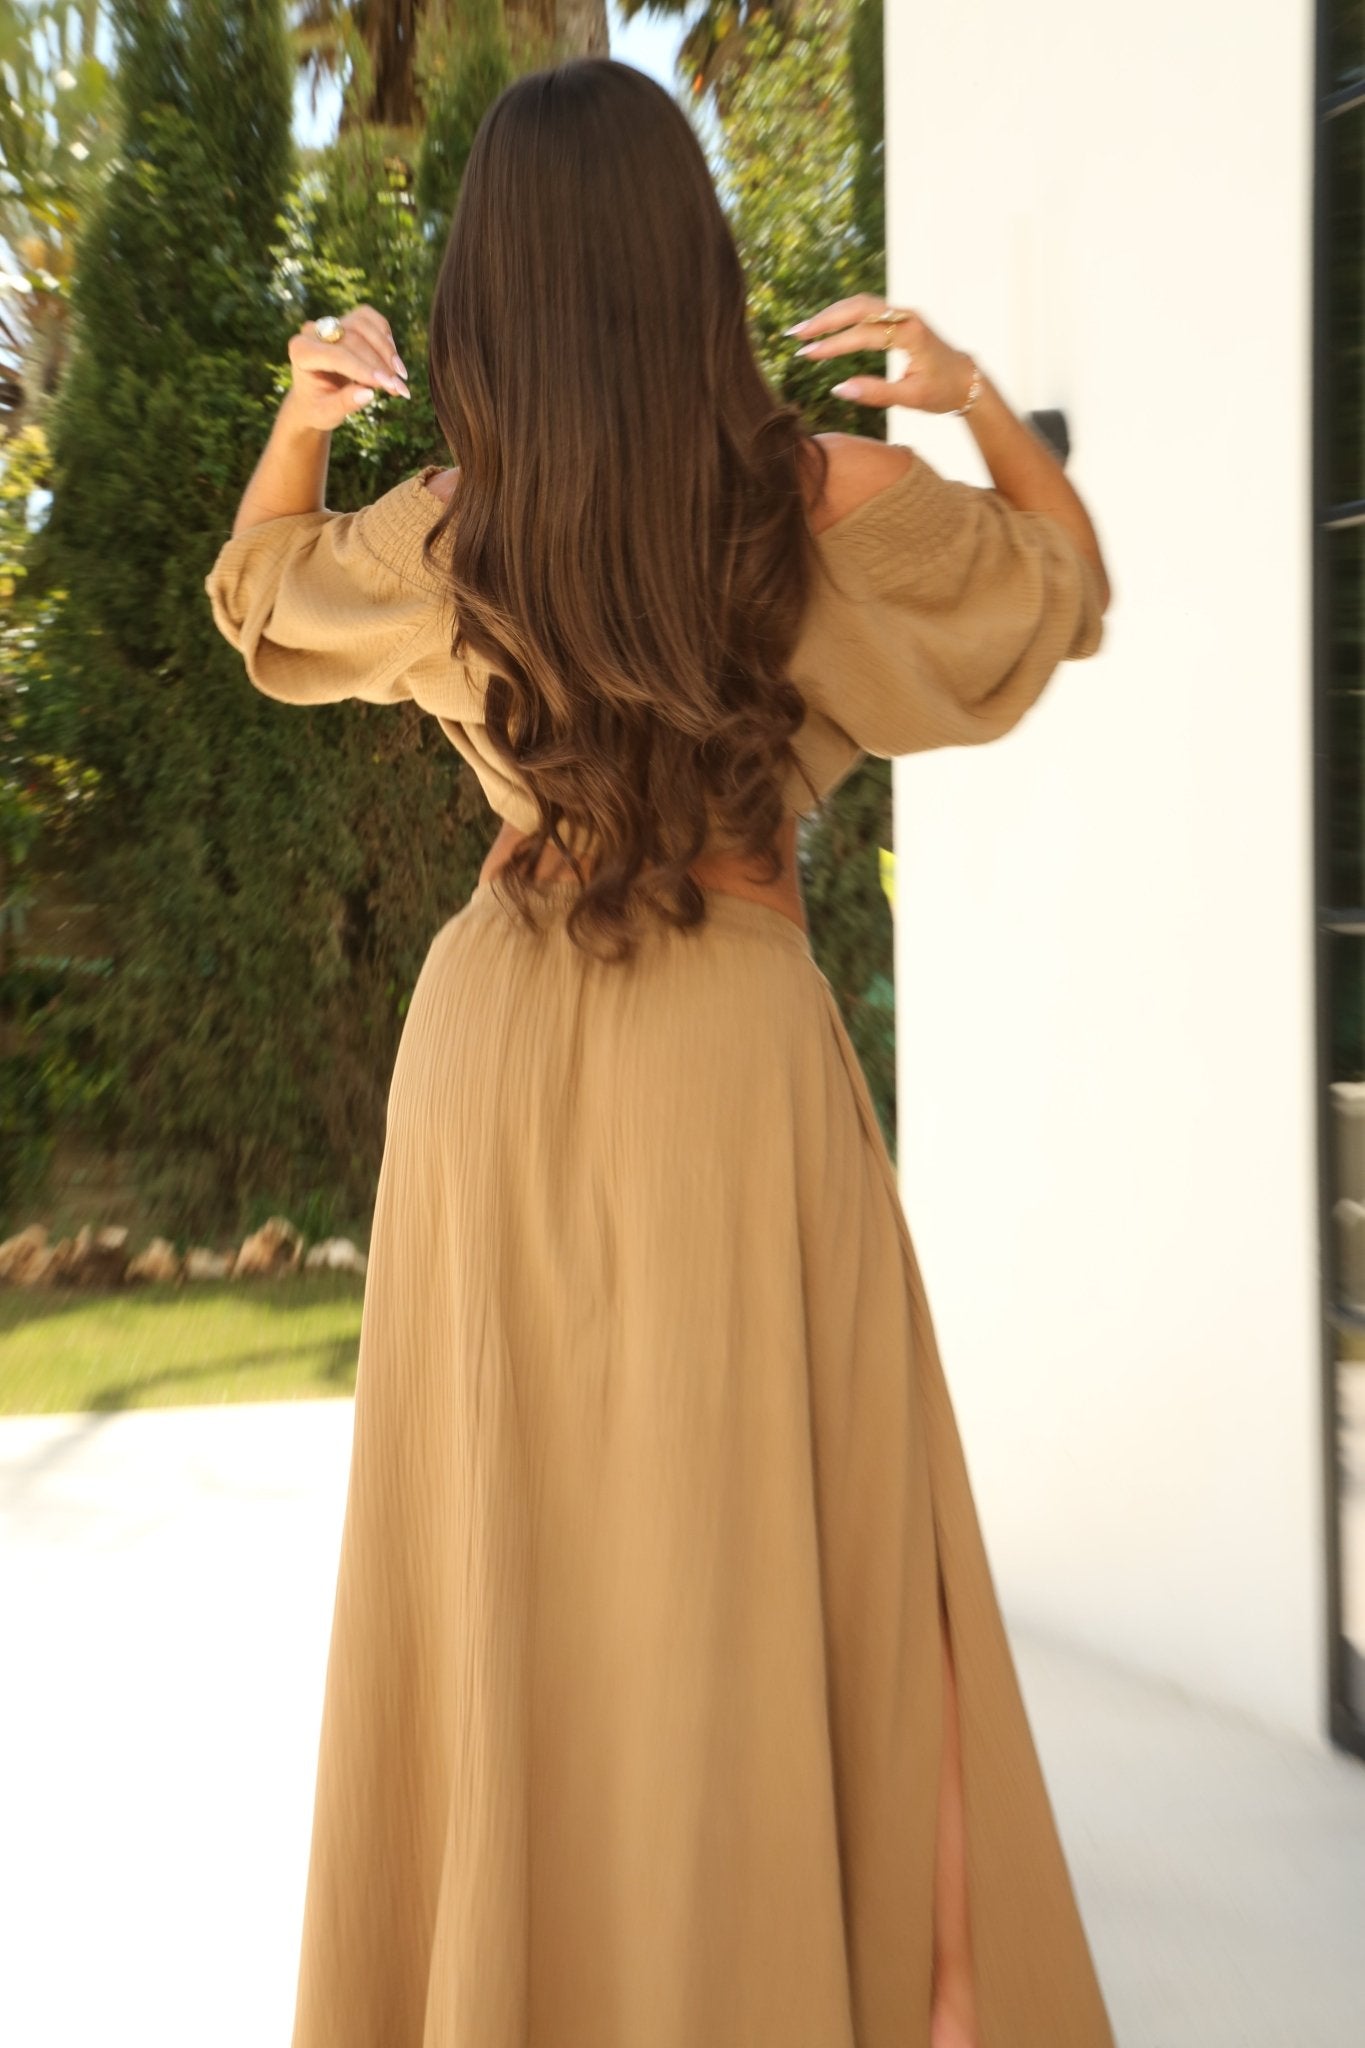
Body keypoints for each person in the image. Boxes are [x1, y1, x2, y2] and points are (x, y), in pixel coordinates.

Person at [205, 55, 1114, 2048]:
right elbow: (1058, 598)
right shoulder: (826, 499)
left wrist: (301, 415)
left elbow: (258, 607)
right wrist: (967, 399)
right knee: (814, 1527)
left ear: (489, 292)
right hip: (731, 1040)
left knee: (508, 1548)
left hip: (496, 1043)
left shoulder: (456, 525)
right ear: (691, 263)